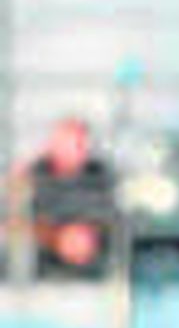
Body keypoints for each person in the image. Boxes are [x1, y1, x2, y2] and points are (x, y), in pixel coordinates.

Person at [25, 117, 117, 280]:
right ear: (52, 145)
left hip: (94, 267)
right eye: (66, 144)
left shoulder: (100, 176)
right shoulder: (33, 177)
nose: (74, 150)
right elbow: (22, 220)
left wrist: (85, 234)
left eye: (80, 145)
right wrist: (57, 238)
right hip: (43, 267)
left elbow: (108, 216)